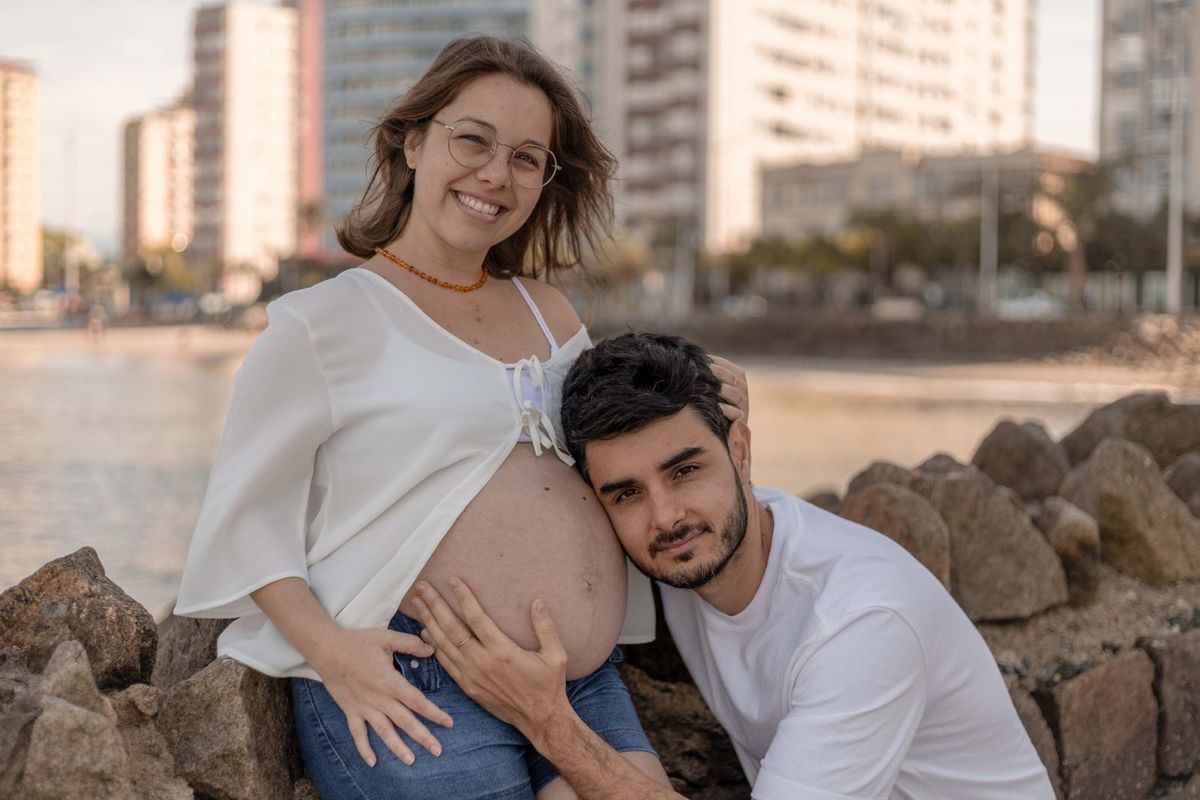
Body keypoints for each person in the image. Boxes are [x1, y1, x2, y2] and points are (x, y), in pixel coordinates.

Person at [173, 38, 748, 800]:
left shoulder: (550, 313)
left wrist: (716, 405)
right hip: (416, 678)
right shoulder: (320, 323)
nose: (495, 175)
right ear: (413, 143)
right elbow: (246, 518)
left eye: (526, 158)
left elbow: (617, 457)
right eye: (473, 140)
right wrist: (334, 656)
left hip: (577, 681)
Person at [412, 332, 1058, 800]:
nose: (666, 517)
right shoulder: (687, 551)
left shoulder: (861, 621)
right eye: (626, 494)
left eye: (686, 471)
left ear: (741, 450)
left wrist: (545, 719)